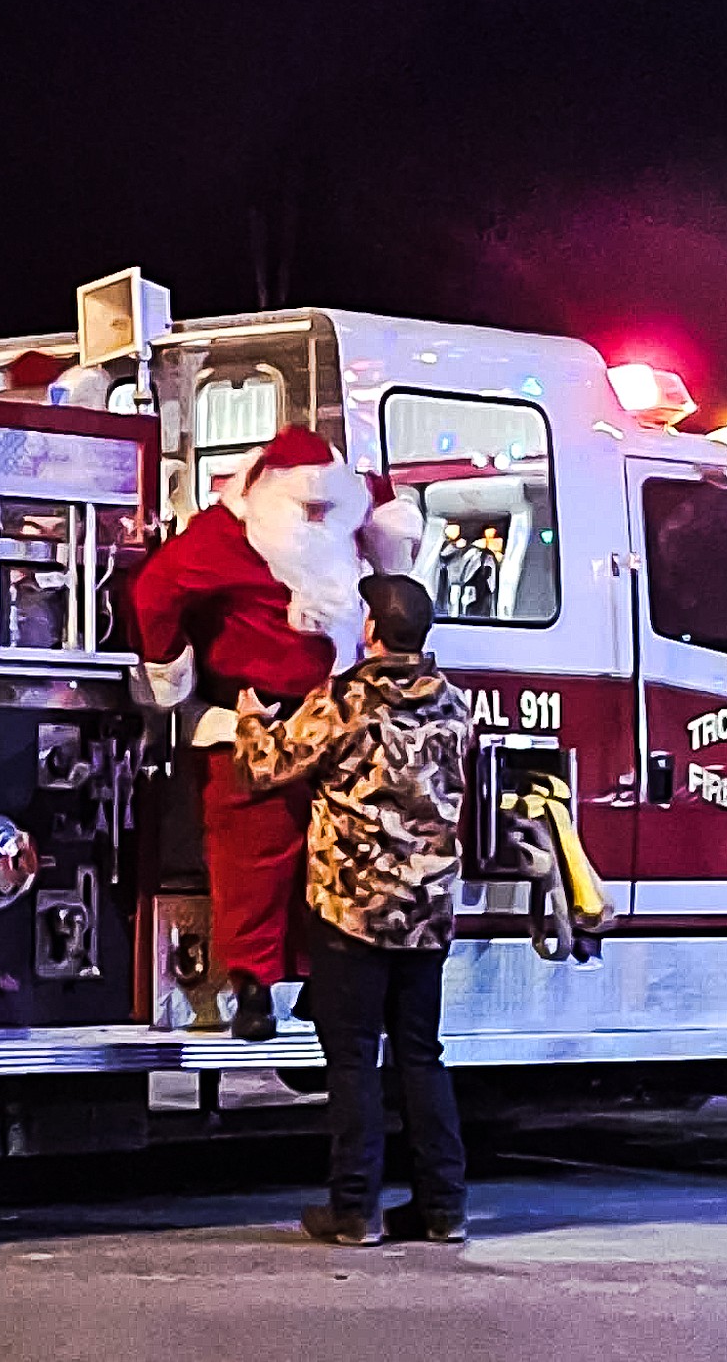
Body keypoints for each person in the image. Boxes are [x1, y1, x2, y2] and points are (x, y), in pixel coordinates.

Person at [132, 428, 417, 1041]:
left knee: (346, 857)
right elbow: (156, 591)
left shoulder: (353, 508)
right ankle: (253, 985)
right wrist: (171, 668)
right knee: (254, 858)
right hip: (252, 723)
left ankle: (324, 979)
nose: (317, 520)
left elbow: (393, 526)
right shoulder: (224, 535)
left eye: (325, 510)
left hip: (339, 724)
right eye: (306, 509)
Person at [235, 573, 471, 1244]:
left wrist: (252, 712)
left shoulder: (345, 701)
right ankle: (443, 1207)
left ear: (371, 629)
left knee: (353, 1059)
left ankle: (353, 1209)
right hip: (427, 910)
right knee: (422, 1056)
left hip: (352, 909)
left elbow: (265, 766)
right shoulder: (455, 702)